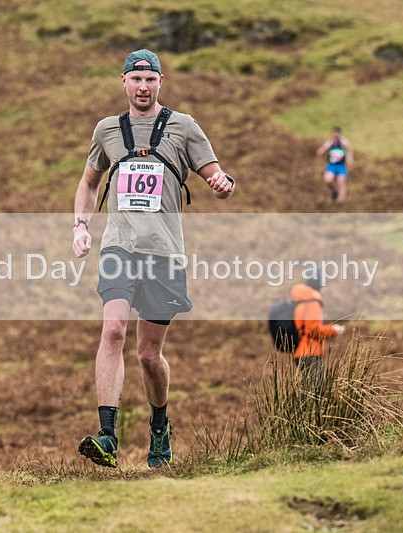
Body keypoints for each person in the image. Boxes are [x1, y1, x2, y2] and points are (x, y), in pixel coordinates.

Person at [71, 49, 235, 468]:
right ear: (123, 82)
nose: (143, 87)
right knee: (112, 333)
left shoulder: (183, 126)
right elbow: (89, 183)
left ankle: (159, 426)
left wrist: (221, 183)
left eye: (150, 80)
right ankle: (108, 436)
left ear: (161, 82)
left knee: (148, 354)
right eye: (136, 79)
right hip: (118, 247)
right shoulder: (107, 130)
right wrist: (81, 225)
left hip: (164, 252)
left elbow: (216, 173)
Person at [290, 270, 345, 386]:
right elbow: (313, 329)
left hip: (301, 352)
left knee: (310, 392)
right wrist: (334, 330)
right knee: (316, 393)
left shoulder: (300, 300)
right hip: (310, 353)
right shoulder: (312, 301)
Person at [316, 126, 354, 204]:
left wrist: (349, 158)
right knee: (328, 180)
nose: (336, 135)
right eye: (334, 133)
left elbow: (350, 150)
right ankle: (334, 191)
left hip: (341, 166)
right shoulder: (329, 142)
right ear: (332, 134)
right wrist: (321, 151)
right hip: (332, 165)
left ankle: (341, 200)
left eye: (337, 133)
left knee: (341, 182)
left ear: (340, 134)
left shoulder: (344, 142)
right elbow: (322, 149)